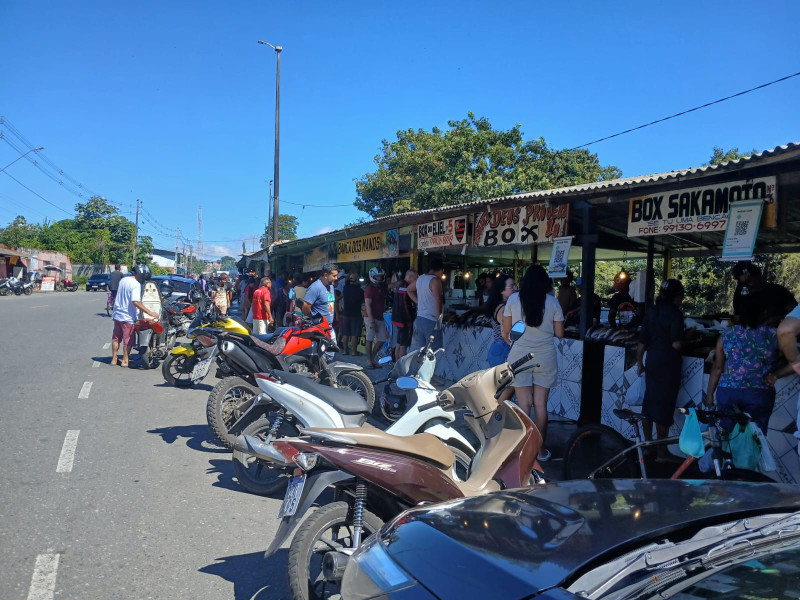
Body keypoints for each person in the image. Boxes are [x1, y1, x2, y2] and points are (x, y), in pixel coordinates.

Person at [503, 265, 564, 461]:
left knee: (524, 405)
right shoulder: (553, 302)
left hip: (519, 356)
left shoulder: (513, 299)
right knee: (540, 405)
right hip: (545, 356)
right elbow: (560, 333)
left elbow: (506, 332)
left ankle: (523, 450)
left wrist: (517, 343)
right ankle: (540, 451)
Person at [706, 299, 781, 435]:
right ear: (764, 313)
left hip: (728, 393)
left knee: (725, 436)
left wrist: (710, 394)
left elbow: (718, 367)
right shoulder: (775, 334)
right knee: (755, 439)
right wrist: (778, 371)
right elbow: (792, 357)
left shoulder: (728, 334)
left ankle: (725, 456)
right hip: (759, 395)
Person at [636, 279, 686, 461]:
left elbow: (642, 342)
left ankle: (648, 447)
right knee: (663, 410)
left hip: (652, 361)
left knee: (649, 405)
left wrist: (640, 362)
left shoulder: (652, 312)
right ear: (678, 297)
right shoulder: (675, 314)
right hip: (668, 364)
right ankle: (662, 453)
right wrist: (689, 337)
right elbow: (676, 343)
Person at [111, 265, 158, 367]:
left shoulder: (123, 280)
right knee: (128, 340)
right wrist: (150, 312)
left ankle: (114, 359)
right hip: (127, 316)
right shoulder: (136, 284)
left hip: (117, 314)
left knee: (116, 338)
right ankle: (125, 360)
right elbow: (136, 302)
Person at [732, 261, 796, 326]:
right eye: (743, 283)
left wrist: (779, 319)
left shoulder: (778, 291)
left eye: (749, 281)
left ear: (759, 276)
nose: (747, 286)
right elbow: (737, 318)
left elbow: (795, 312)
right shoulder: (740, 294)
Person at [407, 258, 444, 350]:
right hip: (431, 320)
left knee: (422, 351)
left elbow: (409, 289)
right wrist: (439, 317)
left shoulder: (420, 278)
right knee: (433, 352)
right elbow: (438, 299)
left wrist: (418, 302)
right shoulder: (435, 281)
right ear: (440, 270)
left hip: (420, 319)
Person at [302, 263, 339, 351]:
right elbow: (306, 307)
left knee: (330, 353)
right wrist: (314, 319)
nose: (336, 278)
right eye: (334, 276)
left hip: (329, 327)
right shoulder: (315, 287)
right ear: (326, 275)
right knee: (321, 356)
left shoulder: (331, 287)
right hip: (319, 329)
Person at [486, 274, 515, 367]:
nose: (515, 288)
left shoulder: (501, 305)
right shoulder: (504, 308)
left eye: (515, 285)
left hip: (499, 347)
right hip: (503, 348)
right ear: (501, 290)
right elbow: (505, 333)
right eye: (511, 286)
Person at [364, 267, 389, 368]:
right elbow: (368, 306)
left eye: (380, 276)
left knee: (382, 339)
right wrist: (371, 321)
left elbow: (391, 286)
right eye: (377, 276)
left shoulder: (382, 287)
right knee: (369, 339)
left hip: (380, 317)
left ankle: (372, 359)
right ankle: (369, 361)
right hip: (371, 318)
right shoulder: (369, 289)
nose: (379, 278)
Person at [391, 270, 418, 360]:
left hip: (397, 319)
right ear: (410, 277)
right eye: (415, 278)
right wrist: (409, 319)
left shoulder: (399, 285)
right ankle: (401, 367)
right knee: (403, 345)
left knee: (399, 343)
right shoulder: (405, 287)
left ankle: (396, 365)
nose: (416, 280)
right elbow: (405, 305)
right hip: (403, 320)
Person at [340, 273, 364, 355]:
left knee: (345, 333)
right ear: (357, 280)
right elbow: (363, 303)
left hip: (346, 313)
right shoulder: (360, 291)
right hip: (356, 314)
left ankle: (345, 350)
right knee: (354, 334)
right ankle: (354, 351)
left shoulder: (345, 288)